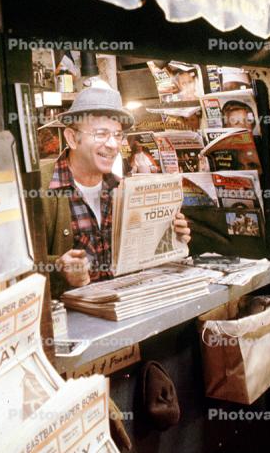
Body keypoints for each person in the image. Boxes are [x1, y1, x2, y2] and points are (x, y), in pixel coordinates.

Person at [40, 87, 191, 298]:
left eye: (118, 135)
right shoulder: (38, 188)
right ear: (72, 138)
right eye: (101, 134)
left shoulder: (123, 190)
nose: (112, 145)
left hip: (124, 312)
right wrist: (58, 269)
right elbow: (12, 269)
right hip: (70, 323)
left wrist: (171, 238)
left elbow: (138, 260)